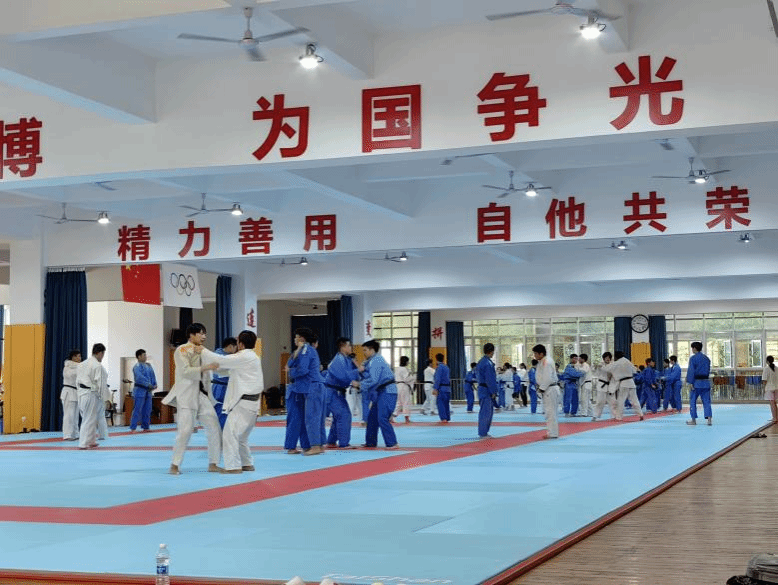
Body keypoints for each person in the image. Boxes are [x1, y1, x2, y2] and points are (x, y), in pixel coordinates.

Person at [162, 323, 223, 475]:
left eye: (204, 333)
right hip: (187, 395)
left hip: (201, 395)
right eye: (201, 333)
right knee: (185, 431)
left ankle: (213, 463)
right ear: (192, 335)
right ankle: (174, 465)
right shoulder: (182, 350)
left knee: (214, 426)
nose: (204, 336)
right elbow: (185, 371)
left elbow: (215, 364)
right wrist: (205, 367)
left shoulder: (203, 350)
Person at [201, 330, 263, 473]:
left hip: (244, 403)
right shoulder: (251, 357)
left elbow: (222, 360)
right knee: (241, 437)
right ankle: (247, 463)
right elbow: (227, 369)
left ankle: (233, 466)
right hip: (251, 403)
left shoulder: (244, 356)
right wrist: (213, 368)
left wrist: (202, 350)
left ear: (240, 344)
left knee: (229, 434)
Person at [284, 328, 325, 455]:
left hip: (312, 386)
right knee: (314, 417)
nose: (294, 340)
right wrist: (296, 352)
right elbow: (290, 363)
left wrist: (291, 372)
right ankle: (318, 445)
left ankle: (316, 446)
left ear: (301, 338)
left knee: (312, 417)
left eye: (296, 337)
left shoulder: (306, 349)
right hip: (310, 387)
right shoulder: (302, 350)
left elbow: (303, 369)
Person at [323, 337, 363, 448]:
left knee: (338, 416)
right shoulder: (339, 359)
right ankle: (344, 443)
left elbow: (352, 374)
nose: (351, 348)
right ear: (343, 347)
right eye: (349, 346)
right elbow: (343, 376)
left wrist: (357, 372)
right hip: (332, 392)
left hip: (338, 392)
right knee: (344, 415)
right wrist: (357, 372)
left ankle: (331, 441)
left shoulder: (346, 359)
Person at [360, 340, 399, 449]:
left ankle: (392, 443)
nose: (364, 353)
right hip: (381, 392)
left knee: (382, 417)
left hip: (388, 391)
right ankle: (370, 442)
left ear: (372, 350)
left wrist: (360, 384)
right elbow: (368, 375)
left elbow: (374, 379)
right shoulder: (370, 361)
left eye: (365, 350)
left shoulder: (376, 360)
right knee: (372, 418)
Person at [76, 343, 108, 450]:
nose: (102, 357)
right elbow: (101, 384)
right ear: (100, 353)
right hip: (90, 394)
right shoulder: (97, 366)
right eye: (103, 354)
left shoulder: (82, 364)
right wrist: (105, 399)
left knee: (91, 418)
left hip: (82, 393)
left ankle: (91, 440)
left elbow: (77, 381)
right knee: (88, 419)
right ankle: (83, 443)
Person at [604, 350, 643, 421]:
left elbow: (607, 369)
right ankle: (640, 414)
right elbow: (635, 370)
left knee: (621, 401)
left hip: (624, 383)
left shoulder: (617, 363)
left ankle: (619, 417)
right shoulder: (627, 361)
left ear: (616, 356)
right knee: (635, 400)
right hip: (631, 382)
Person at [533, 344, 560, 439]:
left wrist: (541, 389)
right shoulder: (542, 361)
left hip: (550, 389)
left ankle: (553, 433)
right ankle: (552, 432)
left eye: (536, 353)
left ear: (541, 353)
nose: (535, 356)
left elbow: (548, 378)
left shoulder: (547, 362)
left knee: (550, 412)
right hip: (547, 389)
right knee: (549, 412)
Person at [210, 337, 237, 429]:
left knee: (225, 410)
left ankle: (223, 430)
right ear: (230, 346)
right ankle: (221, 430)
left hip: (223, 386)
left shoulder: (224, 355)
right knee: (221, 409)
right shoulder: (219, 356)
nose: (235, 350)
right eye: (235, 347)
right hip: (220, 387)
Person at [129, 348, 158, 432]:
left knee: (147, 409)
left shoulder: (149, 366)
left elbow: (153, 376)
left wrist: (154, 384)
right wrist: (148, 384)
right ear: (139, 356)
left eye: (145, 355)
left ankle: (146, 426)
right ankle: (133, 427)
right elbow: (139, 378)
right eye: (144, 355)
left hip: (148, 391)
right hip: (140, 390)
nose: (145, 357)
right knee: (137, 409)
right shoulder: (136, 367)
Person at [686, 341, 712, 426]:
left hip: (696, 383)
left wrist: (690, 382)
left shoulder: (693, 358)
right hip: (706, 382)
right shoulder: (706, 358)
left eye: (692, 348)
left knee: (693, 401)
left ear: (694, 348)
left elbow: (691, 371)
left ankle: (693, 420)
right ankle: (709, 420)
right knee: (707, 401)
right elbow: (708, 370)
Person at [476, 343, 498, 438]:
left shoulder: (481, 361)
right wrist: (493, 391)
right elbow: (490, 379)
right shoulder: (488, 363)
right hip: (486, 390)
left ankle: (483, 431)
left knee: (484, 411)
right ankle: (483, 432)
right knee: (486, 412)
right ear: (492, 351)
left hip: (482, 388)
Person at [591, 352, 618, 421]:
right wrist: (595, 367)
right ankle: (596, 415)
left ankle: (614, 416)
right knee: (600, 401)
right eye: (606, 358)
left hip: (610, 385)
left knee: (613, 402)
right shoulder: (600, 365)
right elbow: (594, 372)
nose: (607, 359)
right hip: (601, 385)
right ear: (603, 359)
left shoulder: (613, 365)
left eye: (609, 358)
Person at [61, 350, 81, 441]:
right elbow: (70, 375)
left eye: (79, 356)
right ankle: (67, 435)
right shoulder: (67, 366)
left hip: (76, 392)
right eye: (76, 356)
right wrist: (80, 368)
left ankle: (75, 433)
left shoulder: (80, 367)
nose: (78, 358)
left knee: (75, 415)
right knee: (69, 415)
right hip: (68, 392)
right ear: (72, 357)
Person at [393, 356, 415, 423]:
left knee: (398, 402)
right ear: (406, 362)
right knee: (406, 402)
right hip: (403, 386)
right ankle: (407, 418)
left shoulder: (397, 369)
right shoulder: (404, 369)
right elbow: (406, 379)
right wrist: (412, 377)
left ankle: (392, 416)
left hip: (397, 386)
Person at [433, 353, 451, 422]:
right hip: (447, 388)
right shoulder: (446, 367)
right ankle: (447, 417)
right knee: (446, 403)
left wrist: (435, 388)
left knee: (441, 403)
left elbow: (438, 379)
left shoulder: (439, 368)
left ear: (436, 359)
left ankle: (443, 418)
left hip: (441, 388)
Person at [762, 355, 778, 424]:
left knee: (772, 403)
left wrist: (763, 387)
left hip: (769, 388)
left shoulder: (766, 369)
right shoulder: (777, 368)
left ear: (767, 361)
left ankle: (774, 418)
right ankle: (776, 417)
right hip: (776, 387)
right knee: (775, 403)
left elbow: (764, 380)